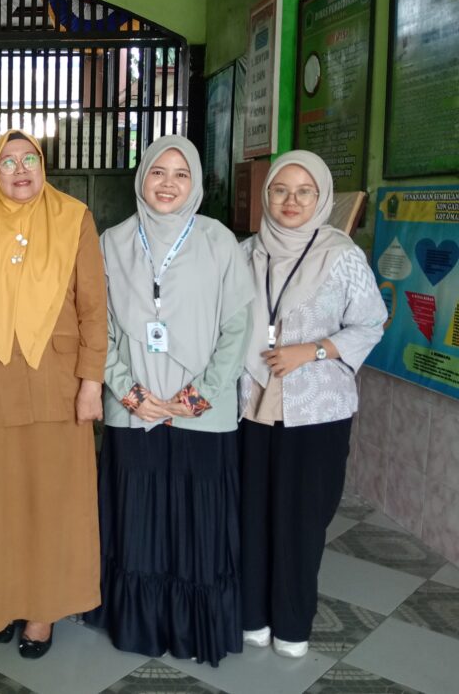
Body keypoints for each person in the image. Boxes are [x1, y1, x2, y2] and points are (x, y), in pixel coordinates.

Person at [0, 129, 106, 659]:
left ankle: (42, 613)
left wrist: (92, 383)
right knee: (3, 504)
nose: (21, 169)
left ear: (42, 163)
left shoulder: (74, 218)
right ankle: (4, 601)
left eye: (29, 158)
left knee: (55, 504)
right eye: (7, 162)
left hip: (60, 385)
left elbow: (94, 307)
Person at [88, 135, 254, 667]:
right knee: (137, 521)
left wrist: (201, 395)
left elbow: (238, 327)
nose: (168, 183)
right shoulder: (112, 242)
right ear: (142, 178)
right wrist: (130, 392)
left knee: (197, 522)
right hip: (133, 408)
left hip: (201, 412)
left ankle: (191, 629)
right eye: (158, 171)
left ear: (195, 182)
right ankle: (139, 623)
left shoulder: (218, 241)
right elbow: (96, 327)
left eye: (181, 174)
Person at [238, 150, 385, 658]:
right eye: (281, 189)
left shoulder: (341, 256)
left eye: (305, 191)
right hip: (251, 404)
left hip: (316, 408)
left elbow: (371, 323)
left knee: (302, 517)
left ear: (321, 198)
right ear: (267, 195)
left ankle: (292, 624)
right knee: (252, 512)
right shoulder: (245, 252)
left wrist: (313, 350)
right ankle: (251, 615)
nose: (292, 200)